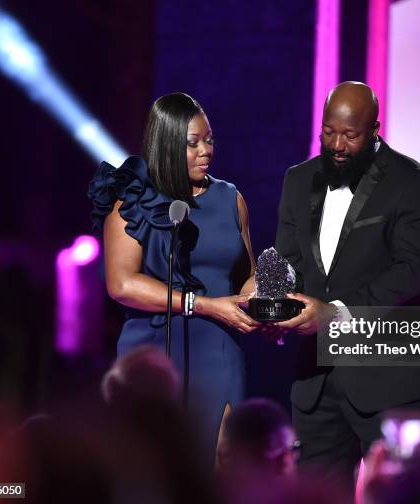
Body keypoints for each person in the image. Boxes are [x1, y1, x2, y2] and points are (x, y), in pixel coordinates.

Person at [273, 81, 420, 485]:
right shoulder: (298, 180)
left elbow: (408, 272)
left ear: (375, 130)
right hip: (316, 378)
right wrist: (274, 304)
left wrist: (334, 315)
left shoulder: (416, 184)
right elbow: (288, 262)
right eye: (328, 132)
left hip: (389, 377)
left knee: (402, 492)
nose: (337, 144)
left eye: (350, 135)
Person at [88, 92, 259, 464]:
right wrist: (205, 304)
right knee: (154, 472)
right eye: (193, 143)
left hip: (218, 350)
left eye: (209, 139)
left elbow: (246, 276)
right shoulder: (132, 201)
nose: (206, 151)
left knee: (222, 468)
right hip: (154, 351)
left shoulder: (231, 199)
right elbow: (121, 284)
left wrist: (264, 298)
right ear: (165, 144)